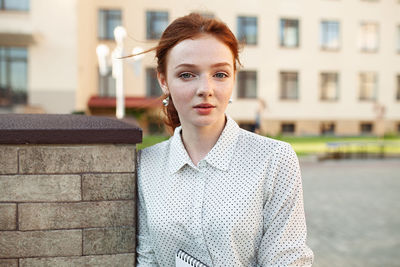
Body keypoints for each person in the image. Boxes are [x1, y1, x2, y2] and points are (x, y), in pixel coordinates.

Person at [136, 13, 314, 266]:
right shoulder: (147, 165)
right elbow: (147, 258)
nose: (205, 88)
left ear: (233, 78)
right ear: (163, 81)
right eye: (187, 75)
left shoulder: (274, 159)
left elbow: (287, 259)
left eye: (220, 74)